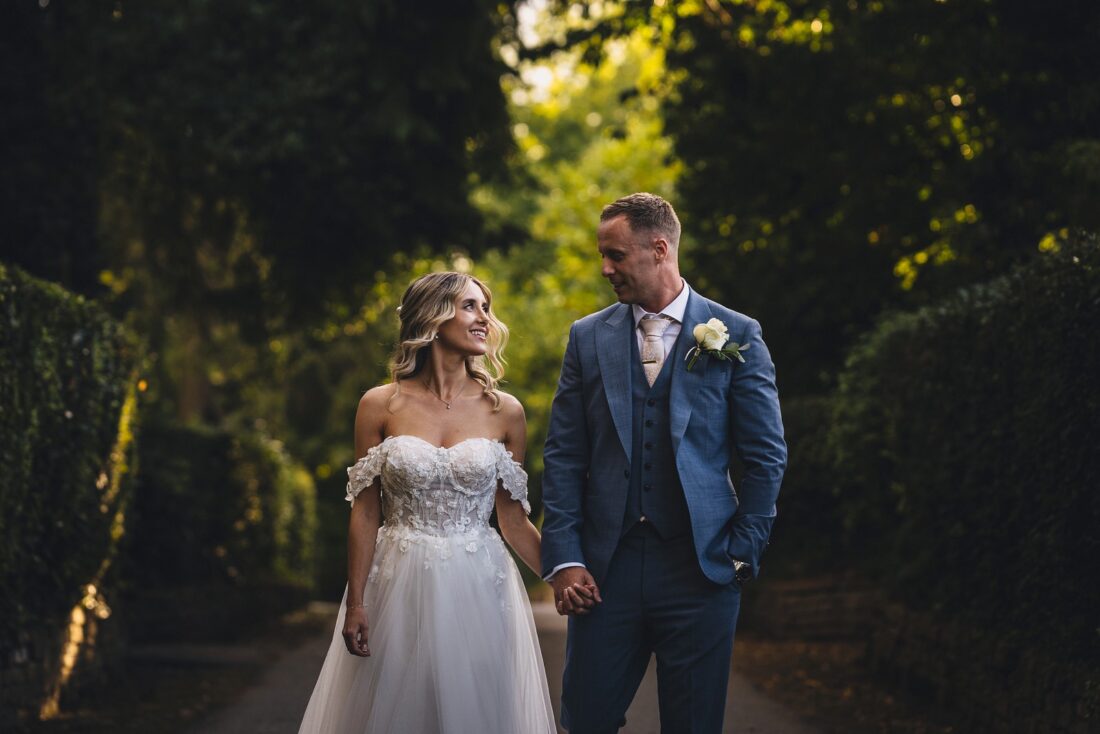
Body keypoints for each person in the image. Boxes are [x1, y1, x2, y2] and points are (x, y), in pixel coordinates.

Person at [541, 193, 787, 733]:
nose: (605, 269)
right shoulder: (587, 337)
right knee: (585, 720)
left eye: (616, 255)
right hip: (606, 570)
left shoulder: (736, 333)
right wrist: (564, 558)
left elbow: (766, 456)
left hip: (701, 569)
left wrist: (742, 552)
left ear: (659, 248)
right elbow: (564, 454)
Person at [298, 272, 556, 734]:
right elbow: (365, 510)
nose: (485, 320)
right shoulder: (380, 405)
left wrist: (565, 577)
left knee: (474, 711)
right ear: (433, 319)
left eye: (486, 308)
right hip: (397, 581)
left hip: (480, 585)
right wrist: (356, 602)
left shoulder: (506, 411)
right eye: (471, 307)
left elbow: (514, 521)